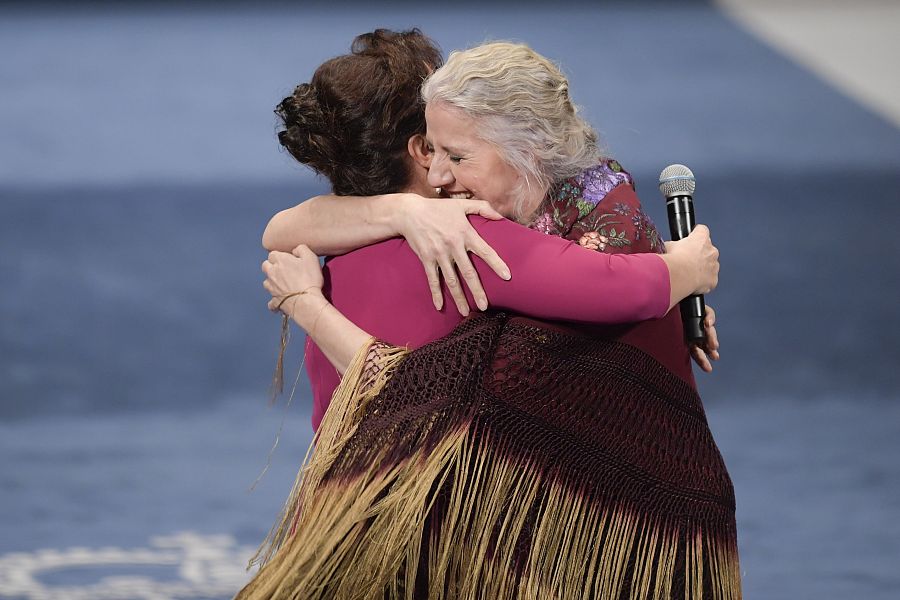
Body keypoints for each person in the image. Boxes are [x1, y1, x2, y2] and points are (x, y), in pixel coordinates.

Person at [238, 32, 737, 600]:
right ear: (418, 149)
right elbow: (615, 289)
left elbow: (278, 229)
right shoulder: (473, 239)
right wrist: (686, 270)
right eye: (442, 148)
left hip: (338, 520)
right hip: (443, 539)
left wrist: (308, 300)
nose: (449, 174)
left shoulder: (329, 250)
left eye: (460, 151)